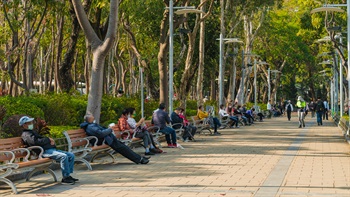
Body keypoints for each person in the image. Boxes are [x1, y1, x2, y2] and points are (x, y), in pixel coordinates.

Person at [20, 116, 78, 185]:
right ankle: (65, 178)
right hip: (44, 152)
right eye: (29, 123)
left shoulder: (31, 132)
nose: (31, 124)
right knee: (64, 156)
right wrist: (48, 139)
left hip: (50, 149)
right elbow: (35, 142)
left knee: (71, 155)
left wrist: (48, 139)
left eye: (31, 122)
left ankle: (68, 175)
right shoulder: (26, 134)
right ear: (24, 125)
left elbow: (40, 140)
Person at [80, 114, 149, 164]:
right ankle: (139, 159)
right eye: (92, 116)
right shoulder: (90, 127)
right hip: (103, 141)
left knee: (123, 147)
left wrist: (109, 129)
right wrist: (110, 129)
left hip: (106, 139)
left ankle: (139, 158)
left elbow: (101, 132)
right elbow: (101, 133)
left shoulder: (91, 125)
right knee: (123, 148)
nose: (93, 116)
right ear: (89, 119)